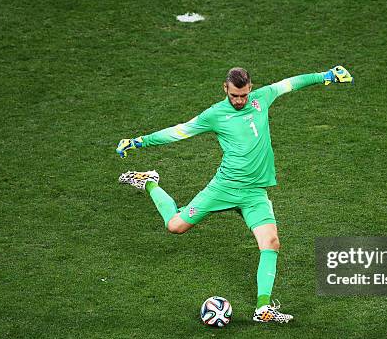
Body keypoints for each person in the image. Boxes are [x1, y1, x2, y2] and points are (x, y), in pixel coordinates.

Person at [116, 65, 353, 323]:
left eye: (243, 95)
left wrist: (327, 76)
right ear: (225, 89)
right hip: (224, 188)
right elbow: (180, 130)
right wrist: (141, 141)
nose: (239, 101)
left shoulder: (262, 97)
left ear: (250, 88)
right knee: (175, 226)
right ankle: (150, 181)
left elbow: (290, 83)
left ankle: (263, 309)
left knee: (271, 243)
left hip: (254, 193)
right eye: (234, 96)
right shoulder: (215, 114)